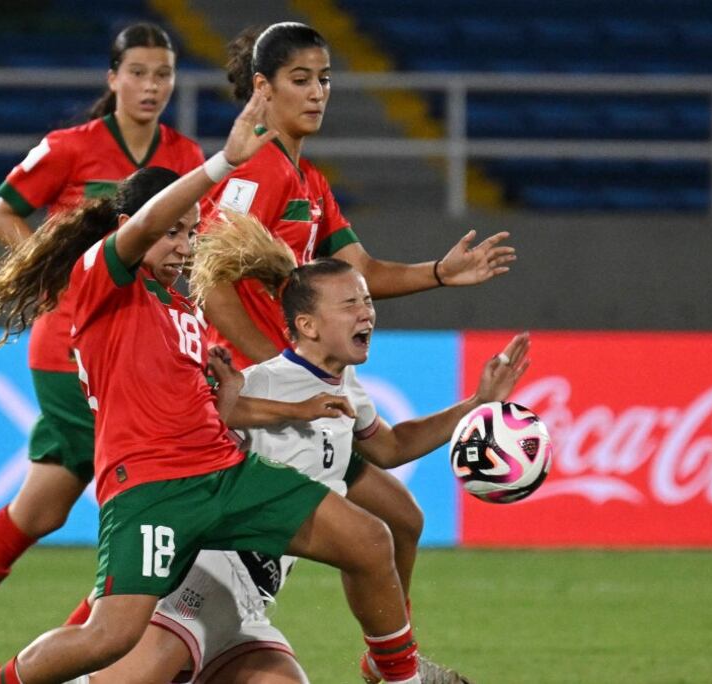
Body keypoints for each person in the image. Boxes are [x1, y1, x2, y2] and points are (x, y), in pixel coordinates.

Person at [0, 92, 427, 684]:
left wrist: (293, 406)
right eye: (174, 234)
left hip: (222, 475)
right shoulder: (98, 277)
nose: (184, 247)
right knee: (108, 636)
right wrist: (222, 163)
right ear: (130, 229)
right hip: (151, 488)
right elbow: (144, 224)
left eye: (191, 235)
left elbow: (223, 409)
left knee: (369, 538)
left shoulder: (181, 309)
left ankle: (401, 677)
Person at [76, 214, 530, 684]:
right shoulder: (265, 383)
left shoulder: (344, 386)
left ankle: (393, 665)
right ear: (308, 326)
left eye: (368, 301)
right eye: (351, 303)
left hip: (247, 609)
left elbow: (392, 447)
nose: (367, 312)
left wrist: (477, 403)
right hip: (196, 589)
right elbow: (201, 438)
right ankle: (399, 672)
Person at [199, 22, 519, 681]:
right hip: (248, 405)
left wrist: (439, 272)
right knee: (345, 539)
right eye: (300, 80)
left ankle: (386, 663)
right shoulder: (255, 167)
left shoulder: (308, 178)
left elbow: (360, 270)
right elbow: (209, 285)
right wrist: (280, 377)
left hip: (295, 395)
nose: (317, 93)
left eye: (324, 80)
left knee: (399, 518)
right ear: (263, 89)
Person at [0, 23, 207, 684]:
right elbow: (2, 213)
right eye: (139, 72)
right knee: (160, 505)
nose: (151, 86)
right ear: (112, 78)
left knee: (42, 509)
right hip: (75, 351)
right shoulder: (71, 149)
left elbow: (194, 246)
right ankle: (82, 663)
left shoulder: (186, 157)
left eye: (163, 75)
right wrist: (57, 276)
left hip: (142, 350)